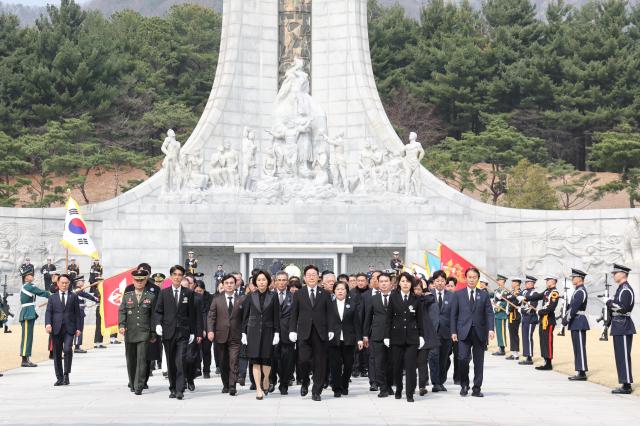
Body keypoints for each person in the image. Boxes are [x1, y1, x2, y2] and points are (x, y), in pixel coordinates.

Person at [450, 267, 495, 397]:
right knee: (462, 359)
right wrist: (453, 331)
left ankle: (477, 388)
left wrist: (490, 329)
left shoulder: (484, 294)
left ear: (477, 279)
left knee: (478, 362)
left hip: (480, 333)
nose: (471, 279)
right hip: (463, 333)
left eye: (474, 277)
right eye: (469, 277)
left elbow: (489, 313)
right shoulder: (458, 294)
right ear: (466, 278)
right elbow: (454, 315)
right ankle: (464, 385)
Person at [155, 265, 197, 400]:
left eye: (180, 274)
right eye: (175, 274)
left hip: (183, 333)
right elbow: (158, 311)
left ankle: (180, 389)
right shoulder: (164, 292)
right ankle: (172, 388)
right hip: (168, 332)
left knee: (180, 361)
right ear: (171, 276)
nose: (177, 277)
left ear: (183, 276)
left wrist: (192, 332)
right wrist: (157, 324)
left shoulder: (188, 293)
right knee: (171, 362)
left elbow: (192, 314)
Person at [289, 265, 331, 401]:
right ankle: (305, 381)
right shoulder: (299, 294)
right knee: (303, 360)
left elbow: (330, 314)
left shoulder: (324, 293)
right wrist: (292, 330)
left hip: (320, 332)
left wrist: (331, 329)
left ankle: (316, 391)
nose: (312, 277)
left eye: (314, 274)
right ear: (305, 278)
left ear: (318, 277)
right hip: (303, 332)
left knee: (320, 362)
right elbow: (293, 314)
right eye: (309, 275)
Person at [384, 272, 425, 402]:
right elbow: (388, 318)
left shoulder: (416, 298)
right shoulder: (393, 297)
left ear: (411, 284)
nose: (405, 283)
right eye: (403, 281)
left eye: (408, 281)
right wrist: (386, 336)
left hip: (412, 338)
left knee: (411, 367)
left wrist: (422, 336)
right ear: (399, 283)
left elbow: (420, 319)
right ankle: (399, 389)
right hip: (396, 337)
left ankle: (410, 393)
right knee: (397, 366)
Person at [118, 269, 157, 395]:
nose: (139, 282)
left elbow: (153, 316)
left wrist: (153, 332)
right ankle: (132, 382)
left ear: (145, 280)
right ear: (133, 281)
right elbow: (122, 311)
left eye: (142, 280)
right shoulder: (127, 296)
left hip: (144, 332)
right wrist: (122, 325)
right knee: (131, 359)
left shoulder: (151, 297)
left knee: (142, 359)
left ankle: (139, 385)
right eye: (137, 280)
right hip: (130, 332)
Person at [242, 270, 280, 400]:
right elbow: (245, 316)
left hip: (268, 331)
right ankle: (258, 388)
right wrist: (243, 333)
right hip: (252, 331)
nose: (261, 282)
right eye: (259, 280)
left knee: (266, 359)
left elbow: (276, 316)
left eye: (264, 279)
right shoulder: (250, 296)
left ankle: (266, 379)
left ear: (268, 281)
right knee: (255, 361)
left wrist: (277, 332)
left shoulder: (273, 296)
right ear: (255, 282)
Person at [207, 274, 245, 396]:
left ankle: (233, 386)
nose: (229, 285)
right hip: (220, 335)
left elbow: (245, 318)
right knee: (223, 362)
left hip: (236, 335)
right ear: (223, 285)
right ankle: (226, 384)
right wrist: (210, 330)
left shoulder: (242, 299)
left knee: (234, 361)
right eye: (227, 283)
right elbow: (211, 316)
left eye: (231, 283)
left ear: (235, 284)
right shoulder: (216, 299)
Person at [45, 274, 81, 386]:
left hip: (70, 329)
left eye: (66, 283)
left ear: (69, 284)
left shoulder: (73, 296)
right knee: (56, 353)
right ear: (58, 284)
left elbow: (78, 314)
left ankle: (66, 374)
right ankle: (59, 377)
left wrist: (79, 328)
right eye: (62, 283)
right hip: (56, 329)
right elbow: (48, 312)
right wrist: (48, 324)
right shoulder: (52, 297)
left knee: (67, 349)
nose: (64, 285)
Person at [327, 281, 362, 397]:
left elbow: (357, 323)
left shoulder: (352, 304)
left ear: (347, 291)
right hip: (334, 339)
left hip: (349, 338)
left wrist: (359, 339)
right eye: (338, 289)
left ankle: (344, 384)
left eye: (342, 289)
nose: (340, 291)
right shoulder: (329, 304)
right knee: (335, 365)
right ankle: (336, 388)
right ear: (334, 291)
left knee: (348, 364)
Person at [363, 272, 393, 398]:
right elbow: (368, 318)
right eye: (381, 281)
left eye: (386, 281)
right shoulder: (373, 299)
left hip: (394, 335)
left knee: (392, 363)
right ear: (378, 283)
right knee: (378, 363)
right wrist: (365, 335)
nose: (384, 284)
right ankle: (383, 387)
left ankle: (390, 385)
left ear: (391, 283)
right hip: (377, 335)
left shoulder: (396, 297)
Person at [607, 263, 635, 394]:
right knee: (620, 356)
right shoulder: (620, 288)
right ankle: (624, 382)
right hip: (619, 325)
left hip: (623, 324)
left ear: (623, 274)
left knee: (623, 355)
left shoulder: (625, 289)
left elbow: (623, 309)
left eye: (616, 273)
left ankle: (627, 384)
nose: (614, 275)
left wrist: (608, 302)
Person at [523, 274, 560, 370]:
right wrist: (525, 298)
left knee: (548, 341)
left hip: (548, 320)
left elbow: (551, 308)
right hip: (543, 320)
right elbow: (538, 296)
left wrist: (539, 312)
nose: (546, 282)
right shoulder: (547, 291)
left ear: (553, 281)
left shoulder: (554, 293)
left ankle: (549, 363)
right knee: (543, 341)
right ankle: (545, 361)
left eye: (548, 280)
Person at [19, 269, 51, 367]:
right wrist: (53, 295)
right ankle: (24, 359)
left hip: (29, 311)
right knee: (27, 337)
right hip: (28, 312)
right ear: (26, 277)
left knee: (29, 336)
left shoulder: (28, 286)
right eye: (30, 275)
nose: (32, 276)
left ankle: (26, 358)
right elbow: (40, 292)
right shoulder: (29, 286)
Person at [564, 268, 589, 381]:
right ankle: (580, 370)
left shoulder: (580, 291)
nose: (573, 279)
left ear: (579, 278)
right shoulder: (577, 290)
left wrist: (565, 320)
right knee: (577, 347)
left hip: (578, 320)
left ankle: (582, 371)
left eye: (574, 277)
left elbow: (574, 309)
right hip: (576, 321)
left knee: (579, 347)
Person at [429, 270, 452, 392]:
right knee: (433, 357)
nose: (440, 283)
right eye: (437, 281)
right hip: (432, 333)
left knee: (444, 358)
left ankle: (441, 381)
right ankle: (435, 383)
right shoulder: (428, 295)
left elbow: (454, 315)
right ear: (433, 282)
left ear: (445, 282)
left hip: (446, 332)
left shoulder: (452, 296)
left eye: (442, 281)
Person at [272, 271, 295, 395]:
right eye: (279, 280)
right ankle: (272, 380)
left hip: (288, 333)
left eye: (283, 280)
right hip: (272, 333)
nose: (281, 282)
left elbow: (296, 316)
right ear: (275, 282)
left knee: (287, 361)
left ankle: (284, 384)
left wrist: (294, 331)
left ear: (287, 282)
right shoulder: (270, 295)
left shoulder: (293, 296)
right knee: (273, 359)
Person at [72, 276, 99, 353]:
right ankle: (77, 346)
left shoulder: (79, 290)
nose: (83, 282)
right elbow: (87, 296)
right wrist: (96, 299)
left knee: (79, 329)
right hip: (78, 313)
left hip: (80, 312)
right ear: (77, 282)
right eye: (82, 281)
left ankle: (77, 345)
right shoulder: (78, 290)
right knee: (78, 329)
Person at [516, 276, 540, 365]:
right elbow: (518, 299)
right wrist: (518, 298)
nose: (525, 284)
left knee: (528, 337)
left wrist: (521, 310)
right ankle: (526, 355)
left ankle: (529, 357)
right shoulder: (525, 291)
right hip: (525, 318)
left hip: (531, 318)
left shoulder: (534, 293)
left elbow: (531, 307)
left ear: (532, 283)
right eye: (525, 282)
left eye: (527, 282)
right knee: (524, 337)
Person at [490, 274, 509, 356]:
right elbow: (494, 299)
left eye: (499, 280)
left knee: (501, 331)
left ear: (503, 281)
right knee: (498, 331)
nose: (498, 281)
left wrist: (497, 307)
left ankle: (502, 348)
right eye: (497, 280)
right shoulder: (497, 290)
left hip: (501, 313)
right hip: (497, 313)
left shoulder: (505, 290)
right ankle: (500, 347)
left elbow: (504, 302)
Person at [505, 278, 522, 360]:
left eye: (513, 282)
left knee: (514, 334)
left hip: (515, 315)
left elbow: (515, 302)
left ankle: (515, 354)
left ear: (517, 284)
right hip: (511, 315)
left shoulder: (518, 292)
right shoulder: (512, 291)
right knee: (512, 333)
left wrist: (509, 309)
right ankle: (513, 352)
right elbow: (506, 297)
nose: (512, 283)